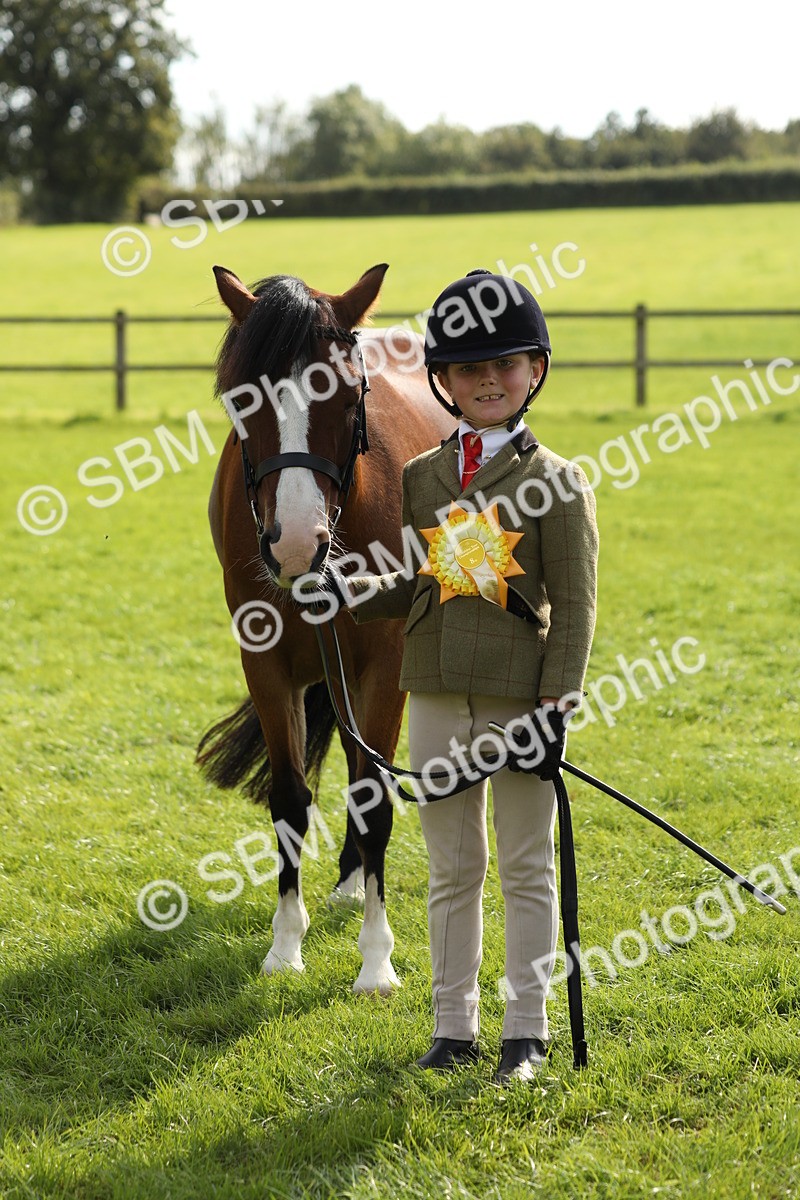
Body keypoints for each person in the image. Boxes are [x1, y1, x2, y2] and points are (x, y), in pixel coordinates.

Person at [328, 269, 598, 1083]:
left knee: (524, 864)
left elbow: (577, 607)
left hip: (522, 698)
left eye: (507, 365)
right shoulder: (423, 479)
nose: (489, 380)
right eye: (470, 369)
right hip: (437, 686)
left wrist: (556, 704)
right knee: (451, 866)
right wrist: (345, 593)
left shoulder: (559, 481)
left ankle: (527, 1029)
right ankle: (453, 1027)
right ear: (441, 380)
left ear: (535, 372)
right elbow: (428, 582)